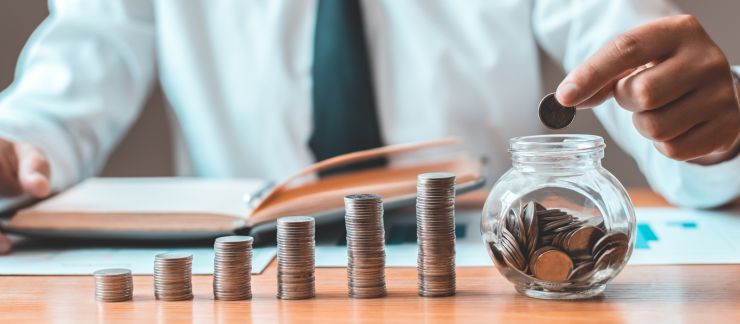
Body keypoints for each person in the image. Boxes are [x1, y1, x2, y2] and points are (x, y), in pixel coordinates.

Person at [0, 0, 737, 212]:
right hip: (250, 283)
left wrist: (712, 129)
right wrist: (16, 147)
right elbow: (67, 86)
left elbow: (630, 43)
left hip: (479, 274)